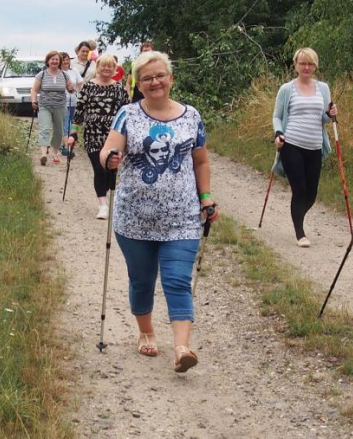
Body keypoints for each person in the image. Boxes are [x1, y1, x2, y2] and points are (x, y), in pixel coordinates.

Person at [99, 50, 219, 373]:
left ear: (171, 79)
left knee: (178, 280)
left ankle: (181, 347)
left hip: (182, 217)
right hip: (134, 218)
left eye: (160, 76)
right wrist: (110, 157)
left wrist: (205, 197)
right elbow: (107, 151)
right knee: (142, 280)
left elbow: (201, 161)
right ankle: (146, 331)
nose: (155, 82)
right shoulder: (127, 114)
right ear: (138, 84)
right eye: (147, 78)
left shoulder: (191, 116)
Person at [272, 47, 338, 247]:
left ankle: (297, 213)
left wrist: (332, 112)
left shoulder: (323, 88)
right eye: (303, 63)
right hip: (291, 144)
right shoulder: (287, 89)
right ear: (296, 65)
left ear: (315, 66)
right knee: (299, 190)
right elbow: (277, 116)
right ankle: (300, 232)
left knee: (312, 193)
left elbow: (325, 118)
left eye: (310, 64)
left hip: (315, 146)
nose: (306, 67)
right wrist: (278, 133)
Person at [68, 54, 130, 219]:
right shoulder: (88, 87)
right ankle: (102, 204)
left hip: (114, 135)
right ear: (98, 67)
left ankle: (113, 201)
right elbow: (79, 111)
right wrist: (73, 132)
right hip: (93, 134)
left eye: (110, 66)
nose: (107, 69)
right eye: (104, 65)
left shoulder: (119, 88)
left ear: (115, 69)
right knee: (99, 168)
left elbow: (127, 112)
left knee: (112, 169)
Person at [30, 50, 74, 165]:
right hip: (45, 105)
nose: (54, 61)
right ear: (48, 61)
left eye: (56, 59)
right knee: (44, 129)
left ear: (59, 62)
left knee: (58, 131)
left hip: (60, 106)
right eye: (52, 59)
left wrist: (70, 88)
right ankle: (44, 154)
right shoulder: (42, 74)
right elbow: (34, 90)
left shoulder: (64, 75)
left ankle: (55, 153)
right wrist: (34, 100)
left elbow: (70, 87)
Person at [59, 51, 84, 155]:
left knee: (73, 123)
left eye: (67, 59)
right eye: (64, 60)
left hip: (74, 101)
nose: (66, 61)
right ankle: (66, 147)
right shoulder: (58, 72)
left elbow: (81, 83)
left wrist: (82, 93)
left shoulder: (74, 70)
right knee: (66, 124)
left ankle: (67, 143)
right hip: (62, 101)